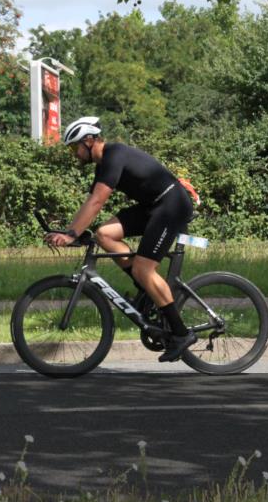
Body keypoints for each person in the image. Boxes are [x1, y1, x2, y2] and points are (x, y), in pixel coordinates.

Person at [47, 116, 197, 362]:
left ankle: (181, 334)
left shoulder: (113, 155)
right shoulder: (103, 164)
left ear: (88, 141)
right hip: (153, 206)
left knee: (144, 269)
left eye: (75, 147)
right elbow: (89, 203)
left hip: (171, 206)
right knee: (105, 234)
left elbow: (97, 202)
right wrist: (71, 230)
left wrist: (70, 234)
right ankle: (147, 292)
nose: (74, 154)